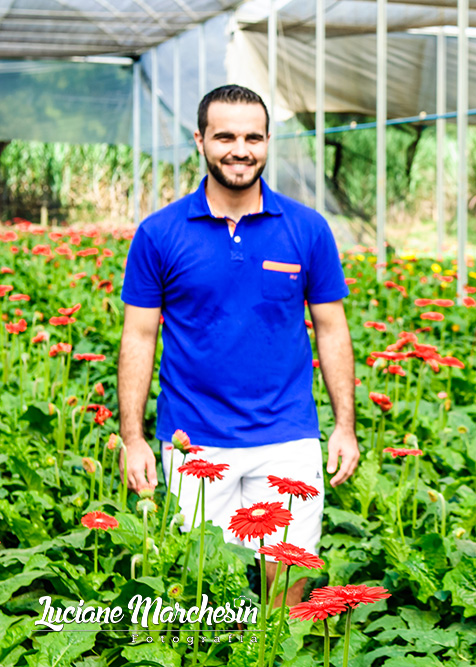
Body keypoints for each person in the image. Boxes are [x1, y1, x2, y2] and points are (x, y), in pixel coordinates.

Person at [118, 84, 359, 604]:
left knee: (287, 589)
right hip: (196, 440)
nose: (240, 148)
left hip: (288, 434)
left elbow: (332, 329)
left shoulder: (308, 229)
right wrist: (133, 437)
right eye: (225, 135)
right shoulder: (159, 234)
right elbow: (138, 336)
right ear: (200, 140)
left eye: (253, 136)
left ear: (269, 141)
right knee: (202, 591)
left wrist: (345, 426)